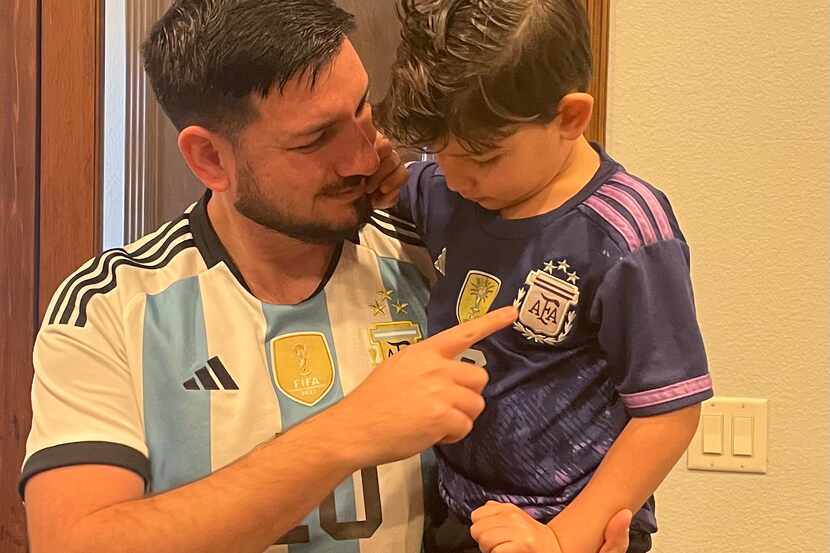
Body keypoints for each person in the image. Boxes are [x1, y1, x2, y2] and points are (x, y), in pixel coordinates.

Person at [21, 1, 633, 553]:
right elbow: (74, 540)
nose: (367, 157)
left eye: (363, 107)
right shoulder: (111, 307)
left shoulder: (440, 259)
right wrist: (348, 432)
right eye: (315, 139)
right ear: (210, 158)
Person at [376, 1, 714, 552]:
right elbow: (396, 182)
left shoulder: (626, 231)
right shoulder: (445, 185)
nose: (455, 177)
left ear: (571, 117)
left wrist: (561, 539)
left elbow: (669, 415)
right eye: (439, 152)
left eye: (485, 158)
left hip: (569, 527)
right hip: (457, 511)